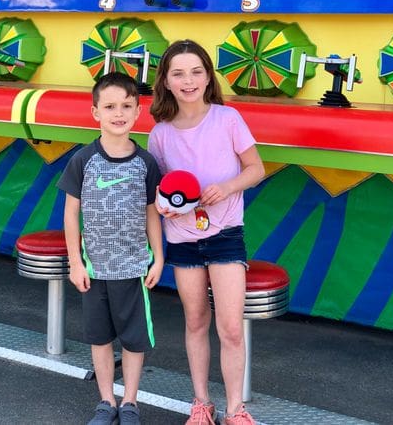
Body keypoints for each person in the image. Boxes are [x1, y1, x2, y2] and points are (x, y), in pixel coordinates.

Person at [148, 40, 265, 425]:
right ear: (165, 80)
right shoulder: (161, 133)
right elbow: (161, 193)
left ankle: (235, 409)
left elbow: (255, 168)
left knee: (230, 327)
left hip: (226, 236)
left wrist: (228, 187)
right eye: (178, 73)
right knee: (195, 321)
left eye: (196, 71)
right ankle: (201, 403)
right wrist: (165, 205)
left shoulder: (227, 118)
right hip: (182, 239)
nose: (189, 80)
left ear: (208, 75)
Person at [58, 72, 163, 425]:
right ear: (95, 113)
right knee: (100, 338)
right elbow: (71, 214)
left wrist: (158, 257)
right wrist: (75, 262)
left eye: (126, 107)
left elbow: (152, 214)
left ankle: (130, 402)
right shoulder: (83, 160)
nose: (118, 114)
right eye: (110, 107)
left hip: (133, 268)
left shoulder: (146, 163)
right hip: (94, 269)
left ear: (137, 112)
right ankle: (106, 401)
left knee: (134, 341)